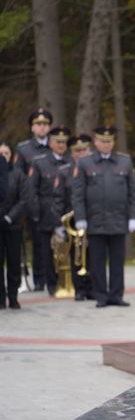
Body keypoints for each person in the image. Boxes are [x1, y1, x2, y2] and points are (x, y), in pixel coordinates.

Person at [71, 126, 135, 308]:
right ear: (95, 142)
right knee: (97, 261)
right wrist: (80, 217)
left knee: (118, 261)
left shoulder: (124, 162)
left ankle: (116, 295)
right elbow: (78, 194)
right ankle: (100, 295)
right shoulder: (85, 162)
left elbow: (134, 192)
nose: (106, 144)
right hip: (95, 220)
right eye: (103, 141)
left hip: (119, 219)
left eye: (109, 141)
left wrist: (134, 216)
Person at [25, 126, 71, 296]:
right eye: (58, 142)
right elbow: (31, 190)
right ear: (51, 143)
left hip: (66, 214)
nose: (61, 145)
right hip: (45, 213)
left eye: (64, 142)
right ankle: (51, 284)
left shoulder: (71, 161)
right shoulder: (39, 162)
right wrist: (36, 213)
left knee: (68, 250)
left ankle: (69, 282)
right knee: (47, 252)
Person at [53, 134, 93, 301]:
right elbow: (57, 199)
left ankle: (94, 288)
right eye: (77, 150)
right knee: (77, 255)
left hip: (94, 218)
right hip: (72, 221)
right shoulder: (64, 172)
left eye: (84, 149)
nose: (81, 153)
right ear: (72, 152)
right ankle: (80, 289)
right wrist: (59, 224)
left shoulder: (96, 168)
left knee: (94, 255)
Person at [16, 108, 52, 291]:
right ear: (32, 128)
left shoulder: (56, 144)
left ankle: (57, 277)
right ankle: (40, 279)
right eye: (38, 124)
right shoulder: (24, 149)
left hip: (55, 202)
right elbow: (19, 177)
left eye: (45, 124)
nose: (42, 127)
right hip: (34, 203)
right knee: (38, 243)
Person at [0, 143, 24, 309]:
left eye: (6, 153)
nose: (3, 156)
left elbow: (24, 199)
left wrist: (10, 217)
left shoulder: (18, 174)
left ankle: (13, 296)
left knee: (14, 262)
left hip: (13, 225)